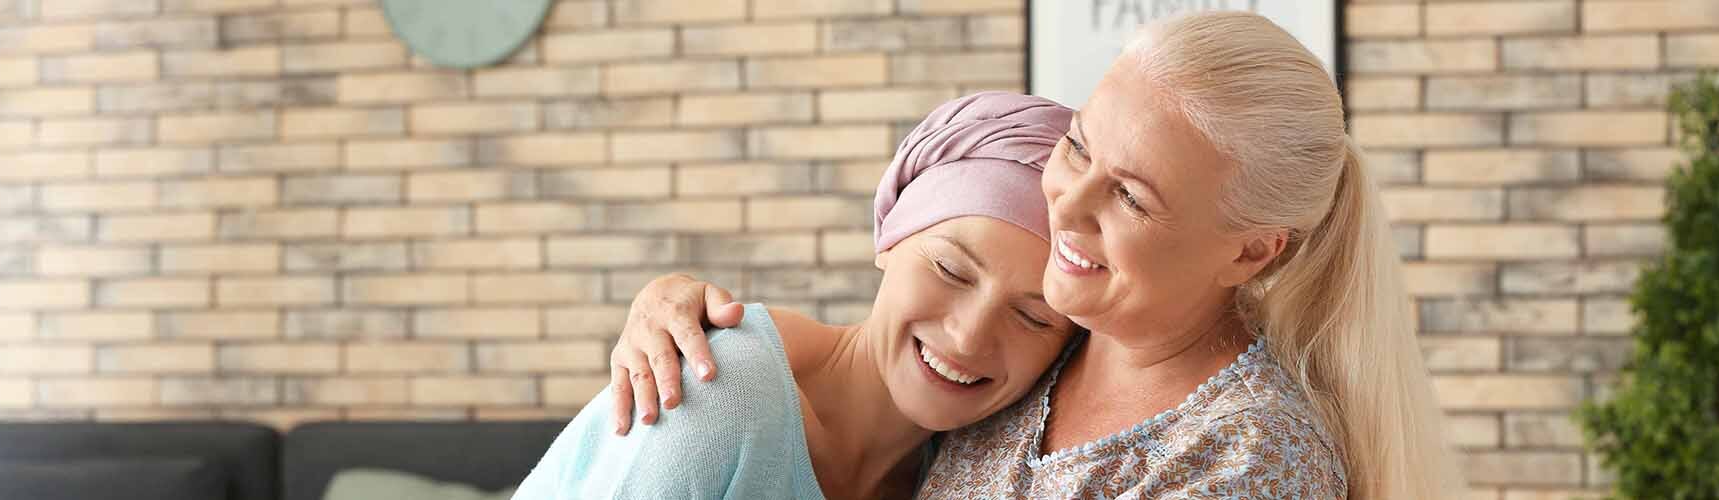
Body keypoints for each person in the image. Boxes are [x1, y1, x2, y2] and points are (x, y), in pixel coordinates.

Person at [606, 11, 1466, 499]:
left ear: (1252, 252)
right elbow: (856, 357)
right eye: (1082, 149)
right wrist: (683, 309)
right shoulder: (1052, 341)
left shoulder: (1250, 456)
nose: (1069, 206)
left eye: (1133, 196)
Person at [511, 92, 1081, 500]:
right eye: (951, 270)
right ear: (889, 237)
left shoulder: (964, 466)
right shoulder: (719, 399)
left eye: (1033, 317)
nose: (969, 335)